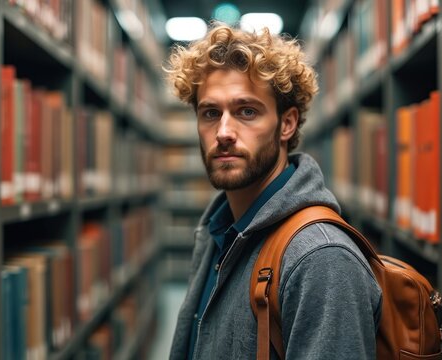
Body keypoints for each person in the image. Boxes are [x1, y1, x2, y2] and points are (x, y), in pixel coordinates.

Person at [164, 24, 382, 360]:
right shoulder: (217, 233)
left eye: (246, 111)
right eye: (210, 113)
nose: (223, 132)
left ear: (287, 124)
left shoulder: (321, 259)